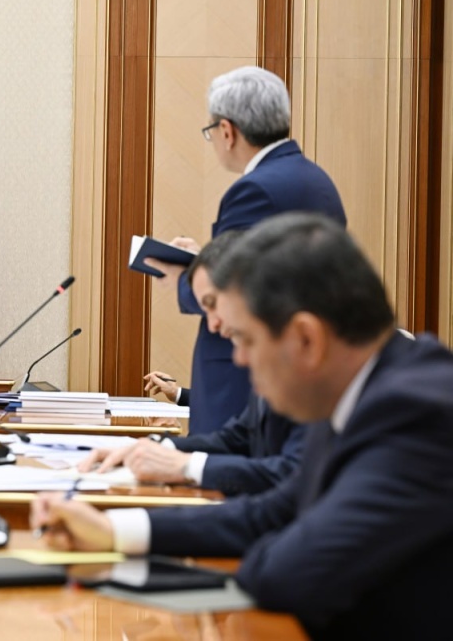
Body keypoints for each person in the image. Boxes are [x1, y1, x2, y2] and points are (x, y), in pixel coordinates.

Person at [33, 213, 453, 639]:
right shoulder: (354, 391)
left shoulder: (419, 414)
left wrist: (280, 540)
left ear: (306, 340)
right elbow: (270, 513)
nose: (238, 358)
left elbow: (288, 573)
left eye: (247, 339)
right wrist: (111, 530)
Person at [147, 66, 347, 435]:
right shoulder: (317, 181)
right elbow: (269, 276)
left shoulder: (254, 190)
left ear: (227, 130)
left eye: (212, 131)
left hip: (242, 381)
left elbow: (234, 292)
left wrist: (182, 278)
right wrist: (206, 260)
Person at [84, 232, 305, 496]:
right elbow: (239, 437)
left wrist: (186, 466)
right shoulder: (272, 360)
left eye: (212, 305)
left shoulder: (307, 369)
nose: (212, 325)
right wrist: (153, 448)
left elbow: (290, 477)